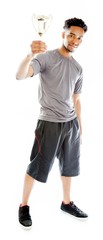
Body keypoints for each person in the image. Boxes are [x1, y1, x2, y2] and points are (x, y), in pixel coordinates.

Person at [16, 17, 88, 229]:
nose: (75, 40)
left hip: (71, 124)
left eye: (80, 38)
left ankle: (66, 203)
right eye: (72, 35)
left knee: (69, 166)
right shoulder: (45, 58)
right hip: (49, 123)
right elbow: (20, 76)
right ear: (63, 34)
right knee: (37, 166)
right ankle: (23, 206)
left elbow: (76, 99)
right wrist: (30, 54)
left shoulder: (78, 68)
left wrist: (80, 127)